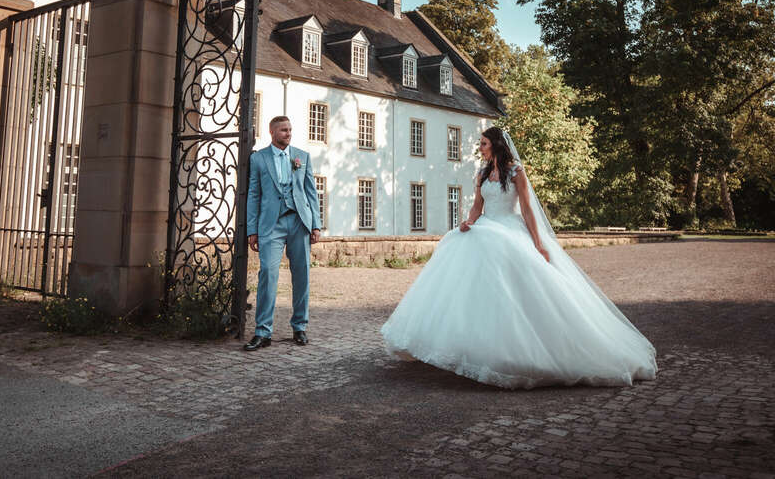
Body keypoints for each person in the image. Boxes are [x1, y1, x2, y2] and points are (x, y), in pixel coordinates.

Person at [380, 126, 658, 388]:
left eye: (484, 143)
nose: (481, 148)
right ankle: (468, 344)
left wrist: (538, 243)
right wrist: (468, 222)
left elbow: (526, 208)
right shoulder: (481, 172)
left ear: (497, 145)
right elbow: (478, 205)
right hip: (486, 226)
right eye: (480, 144)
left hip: (510, 228)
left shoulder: (516, 172)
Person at [244, 116, 321, 351]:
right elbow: (254, 194)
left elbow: (311, 193)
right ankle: (263, 332)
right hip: (271, 225)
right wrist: (252, 229)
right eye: (283, 130)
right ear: (272, 132)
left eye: (290, 129)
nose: (288, 133)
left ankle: (299, 327)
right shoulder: (258, 159)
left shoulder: (302, 157)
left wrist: (316, 224)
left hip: (299, 221)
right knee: (268, 273)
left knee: (302, 274)